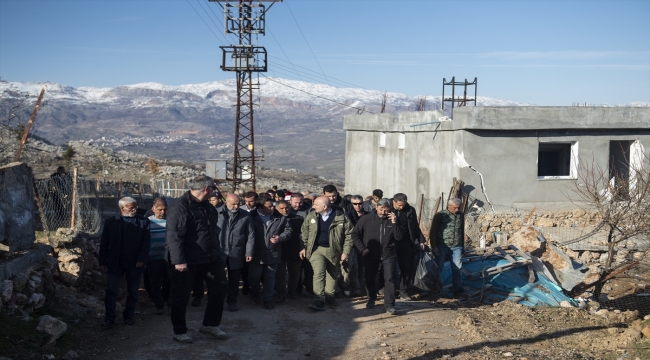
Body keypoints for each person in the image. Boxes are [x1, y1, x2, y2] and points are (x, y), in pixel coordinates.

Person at [166, 176, 228, 344]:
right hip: (186, 260)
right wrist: (178, 260)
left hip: (210, 257)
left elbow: (212, 231)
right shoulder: (180, 207)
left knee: (219, 288)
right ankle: (179, 331)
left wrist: (218, 253)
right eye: (213, 188)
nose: (215, 191)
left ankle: (210, 324)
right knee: (182, 296)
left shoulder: (207, 206)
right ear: (207, 189)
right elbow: (174, 236)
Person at [99, 197, 150, 328]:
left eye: (135, 206)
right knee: (111, 291)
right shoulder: (111, 222)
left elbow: (146, 243)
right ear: (122, 208)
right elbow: (104, 243)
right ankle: (109, 318)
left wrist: (142, 259)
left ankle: (129, 316)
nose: (135, 209)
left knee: (133, 291)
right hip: (116, 263)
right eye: (131, 207)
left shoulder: (143, 222)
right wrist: (102, 261)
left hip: (135, 263)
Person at [299, 196, 353, 311]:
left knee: (332, 273)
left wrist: (345, 252)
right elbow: (304, 231)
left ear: (324, 206)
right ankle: (319, 299)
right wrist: (303, 247)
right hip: (316, 249)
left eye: (316, 205)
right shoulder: (312, 216)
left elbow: (350, 235)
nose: (313, 207)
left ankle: (330, 296)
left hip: (334, 250)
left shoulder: (341, 217)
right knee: (319, 273)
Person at [352, 198, 404, 315]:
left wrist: (395, 223)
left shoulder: (393, 219)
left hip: (388, 254)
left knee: (389, 279)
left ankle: (390, 305)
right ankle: (371, 298)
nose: (383, 213)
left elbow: (399, 237)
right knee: (370, 277)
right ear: (376, 207)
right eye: (381, 210)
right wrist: (362, 248)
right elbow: (355, 234)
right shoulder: (366, 219)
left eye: (386, 210)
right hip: (370, 254)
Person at [249, 197, 292, 309]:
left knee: (270, 277)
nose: (273, 208)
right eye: (269, 206)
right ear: (260, 208)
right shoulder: (251, 217)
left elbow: (288, 230)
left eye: (273, 205)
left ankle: (267, 299)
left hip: (273, 252)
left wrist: (280, 238)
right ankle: (254, 292)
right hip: (256, 253)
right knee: (255, 276)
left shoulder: (279, 217)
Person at [218, 194, 255, 312]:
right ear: (226, 203)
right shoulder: (216, 214)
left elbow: (250, 234)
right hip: (220, 252)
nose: (236, 206)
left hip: (236, 252)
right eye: (233, 204)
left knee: (234, 279)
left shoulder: (245, 215)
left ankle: (232, 301)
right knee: (218, 279)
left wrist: (249, 252)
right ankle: (217, 301)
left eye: (238, 204)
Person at [392, 193, 426, 301]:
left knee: (406, 268)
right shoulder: (387, 209)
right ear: (394, 202)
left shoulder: (410, 210)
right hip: (391, 243)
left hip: (406, 243)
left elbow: (415, 226)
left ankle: (404, 290)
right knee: (390, 268)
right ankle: (390, 290)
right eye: (399, 205)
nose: (401, 207)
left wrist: (421, 240)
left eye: (403, 205)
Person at [429, 198, 465, 297]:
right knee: (438, 268)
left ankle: (457, 289)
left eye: (458, 208)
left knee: (457, 268)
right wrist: (434, 246)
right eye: (454, 208)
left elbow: (461, 231)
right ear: (448, 206)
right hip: (442, 246)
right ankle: (435, 289)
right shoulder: (440, 215)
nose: (457, 210)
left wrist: (462, 246)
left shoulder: (461, 215)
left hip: (457, 246)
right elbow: (433, 231)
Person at [274, 200, 304, 302]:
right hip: (280, 251)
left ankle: (292, 291)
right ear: (276, 208)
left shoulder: (298, 219)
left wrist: (302, 247)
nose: (284, 210)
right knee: (280, 274)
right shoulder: (274, 219)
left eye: (286, 207)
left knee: (295, 273)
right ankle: (280, 293)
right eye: (281, 208)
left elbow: (302, 235)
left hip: (295, 250)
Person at [147, 198, 170, 315]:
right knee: (155, 282)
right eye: (159, 210)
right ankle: (159, 305)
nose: (162, 212)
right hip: (153, 258)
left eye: (164, 210)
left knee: (168, 280)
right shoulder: (147, 222)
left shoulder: (170, 221)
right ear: (153, 209)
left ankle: (167, 301)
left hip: (168, 257)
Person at [344, 195, 367, 297]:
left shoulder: (367, 215)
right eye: (355, 204)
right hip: (352, 244)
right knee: (352, 267)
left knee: (362, 267)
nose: (358, 206)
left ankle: (360, 287)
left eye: (360, 203)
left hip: (364, 245)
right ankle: (354, 288)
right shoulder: (347, 215)